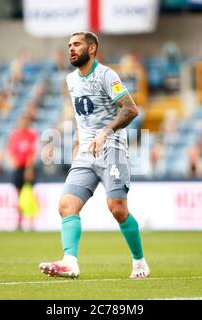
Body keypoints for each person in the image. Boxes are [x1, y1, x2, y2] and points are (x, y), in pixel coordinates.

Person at [39, 31, 150, 279]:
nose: (71, 48)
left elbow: (131, 109)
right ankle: (70, 262)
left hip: (113, 149)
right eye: (69, 45)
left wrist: (106, 131)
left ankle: (139, 261)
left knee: (117, 209)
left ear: (91, 49)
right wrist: (79, 143)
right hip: (86, 153)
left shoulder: (107, 75)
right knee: (66, 205)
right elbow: (81, 117)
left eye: (77, 44)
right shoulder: (70, 80)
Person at [7, 114, 38, 230]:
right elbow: (11, 151)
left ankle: (31, 221)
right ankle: (19, 221)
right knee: (19, 196)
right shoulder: (15, 135)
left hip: (28, 167)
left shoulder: (31, 135)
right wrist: (15, 162)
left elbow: (31, 153)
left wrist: (29, 169)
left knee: (30, 194)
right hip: (18, 167)